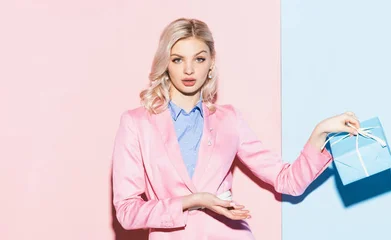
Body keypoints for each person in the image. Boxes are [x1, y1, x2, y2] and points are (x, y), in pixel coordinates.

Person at [111, 18, 359, 239]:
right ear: (166, 63)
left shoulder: (229, 119)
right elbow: (126, 211)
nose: (189, 69)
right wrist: (192, 201)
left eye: (199, 58)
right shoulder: (137, 123)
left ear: (211, 63)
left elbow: (288, 182)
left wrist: (320, 133)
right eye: (178, 59)